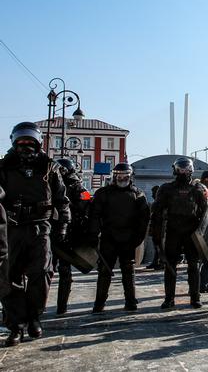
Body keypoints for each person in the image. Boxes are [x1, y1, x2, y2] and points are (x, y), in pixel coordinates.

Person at [0, 122, 70, 346]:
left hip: (40, 227)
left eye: (30, 142)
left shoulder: (49, 167)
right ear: (14, 142)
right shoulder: (4, 166)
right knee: (10, 277)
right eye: (21, 142)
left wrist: (63, 227)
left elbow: (62, 200)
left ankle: (34, 318)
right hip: (11, 228)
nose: (25, 146)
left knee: (42, 273)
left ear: (38, 143)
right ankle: (16, 326)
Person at [89, 163, 150, 313]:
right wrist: (93, 233)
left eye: (125, 176)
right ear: (114, 176)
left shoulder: (138, 194)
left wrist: (138, 237)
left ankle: (130, 301)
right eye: (119, 176)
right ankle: (99, 303)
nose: (122, 179)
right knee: (104, 271)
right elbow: (94, 215)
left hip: (128, 239)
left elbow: (144, 218)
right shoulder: (103, 193)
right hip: (108, 237)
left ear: (130, 177)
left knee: (128, 271)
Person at [151, 157, 208, 309]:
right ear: (175, 170)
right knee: (170, 266)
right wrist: (155, 234)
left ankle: (195, 297)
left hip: (191, 231)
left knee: (193, 266)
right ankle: (169, 298)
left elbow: (205, 212)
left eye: (186, 169)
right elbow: (156, 212)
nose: (183, 172)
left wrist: (201, 232)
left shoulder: (198, 189)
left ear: (191, 170)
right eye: (180, 169)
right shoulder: (166, 189)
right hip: (173, 230)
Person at [52, 158, 91, 315]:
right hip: (63, 232)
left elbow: (85, 207)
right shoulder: (77, 187)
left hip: (61, 231)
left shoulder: (77, 187)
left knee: (53, 270)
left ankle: (60, 306)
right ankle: (61, 307)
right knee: (60, 271)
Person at [145, 185, 163, 270]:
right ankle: (155, 262)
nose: (152, 195)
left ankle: (160, 262)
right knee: (156, 246)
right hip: (155, 227)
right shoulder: (155, 203)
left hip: (159, 228)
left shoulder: (160, 203)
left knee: (159, 247)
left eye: (153, 193)